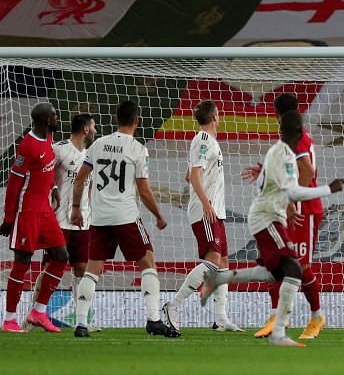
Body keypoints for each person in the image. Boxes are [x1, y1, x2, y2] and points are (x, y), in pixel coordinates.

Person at [200, 110, 344, 347]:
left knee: (275, 271)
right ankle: (278, 333)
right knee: (294, 268)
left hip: (266, 216)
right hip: (267, 218)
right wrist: (329, 189)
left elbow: (263, 185)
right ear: (299, 132)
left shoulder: (278, 151)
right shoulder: (285, 155)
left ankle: (219, 278)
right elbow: (293, 192)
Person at [70, 100, 179, 338]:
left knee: (93, 269)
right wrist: (159, 215)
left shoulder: (98, 144)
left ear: (116, 119)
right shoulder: (138, 149)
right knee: (148, 261)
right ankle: (154, 319)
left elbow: (79, 179)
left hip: (99, 217)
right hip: (126, 216)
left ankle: (80, 324)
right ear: (137, 121)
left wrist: (76, 208)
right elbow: (144, 190)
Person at [245, 93, 327, 339]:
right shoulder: (292, 136)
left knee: (300, 266)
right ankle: (276, 317)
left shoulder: (297, 137)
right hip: (289, 211)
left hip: (305, 211)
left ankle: (317, 317)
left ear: (275, 114)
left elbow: (307, 170)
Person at [162, 100, 242, 332]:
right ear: (215, 116)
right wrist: (207, 203)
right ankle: (174, 305)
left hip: (215, 209)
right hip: (206, 209)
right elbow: (195, 175)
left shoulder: (205, 142)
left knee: (223, 262)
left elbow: (189, 174)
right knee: (213, 261)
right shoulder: (204, 140)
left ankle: (220, 318)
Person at [0, 103, 69, 333]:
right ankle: (9, 319)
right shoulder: (27, 146)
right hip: (26, 212)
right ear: (45, 120)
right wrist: (9, 217)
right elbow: (14, 184)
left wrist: (53, 188)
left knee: (60, 255)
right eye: (54, 115)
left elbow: (44, 171)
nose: (57, 117)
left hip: (45, 211)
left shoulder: (48, 138)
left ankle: (38, 312)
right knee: (23, 262)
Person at [30, 114, 100, 332]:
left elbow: (89, 186)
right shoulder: (60, 149)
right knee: (49, 268)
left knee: (81, 269)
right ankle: (33, 315)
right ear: (86, 129)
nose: (96, 131)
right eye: (94, 127)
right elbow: (43, 174)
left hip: (83, 223)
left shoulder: (91, 154)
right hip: (59, 220)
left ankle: (83, 320)